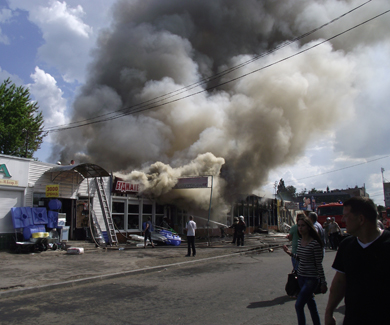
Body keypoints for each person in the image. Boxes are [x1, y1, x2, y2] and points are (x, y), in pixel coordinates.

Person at [325, 197, 390, 325]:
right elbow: (339, 283)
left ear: (361, 219)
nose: (342, 220)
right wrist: (329, 312)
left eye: (346, 216)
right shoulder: (346, 246)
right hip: (354, 319)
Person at [283, 215, 327, 325]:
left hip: (311, 279)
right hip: (301, 277)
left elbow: (318, 264)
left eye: (303, 225)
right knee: (311, 304)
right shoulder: (299, 242)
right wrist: (289, 253)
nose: (300, 228)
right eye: (299, 226)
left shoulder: (314, 244)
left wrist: (323, 282)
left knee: (298, 305)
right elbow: (300, 258)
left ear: (309, 227)